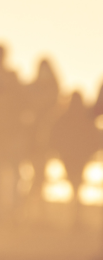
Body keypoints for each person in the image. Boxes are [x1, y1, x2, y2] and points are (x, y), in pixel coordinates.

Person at [0, 44, 25, 224]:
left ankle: (9, 213)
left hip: (4, 132)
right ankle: (1, 213)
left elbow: (21, 103)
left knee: (6, 174)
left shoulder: (8, 76)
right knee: (0, 174)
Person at [50, 92, 98, 223]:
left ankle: (75, 215)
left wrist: (58, 151)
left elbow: (54, 136)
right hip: (78, 156)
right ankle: (76, 215)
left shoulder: (65, 116)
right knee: (76, 184)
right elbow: (95, 137)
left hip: (70, 156)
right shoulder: (85, 117)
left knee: (74, 184)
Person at [23, 59, 61, 212]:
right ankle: (32, 209)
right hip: (32, 140)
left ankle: (36, 210)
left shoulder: (54, 90)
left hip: (47, 140)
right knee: (36, 174)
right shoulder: (32, 89)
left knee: (40, 175)